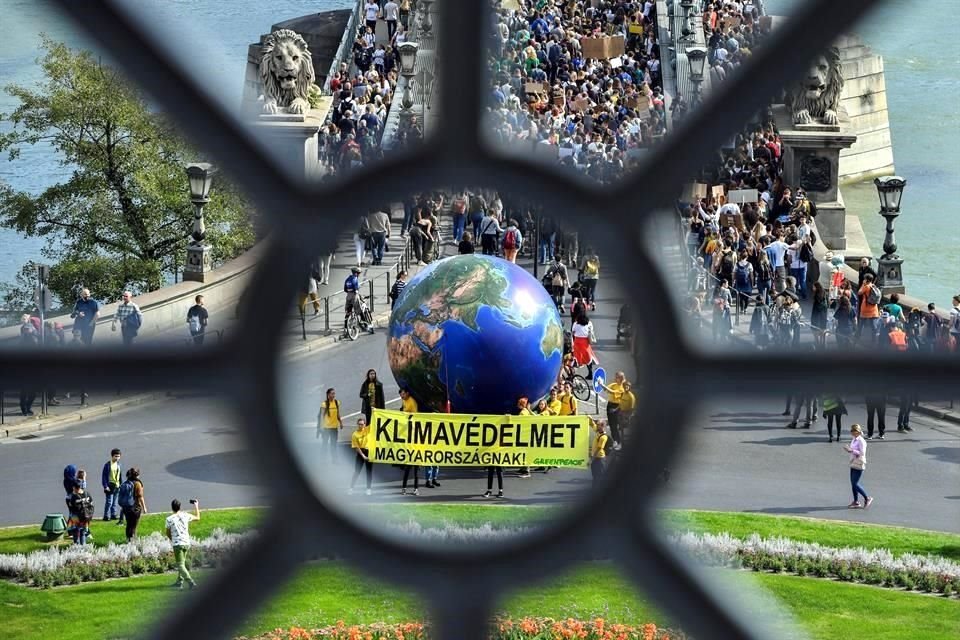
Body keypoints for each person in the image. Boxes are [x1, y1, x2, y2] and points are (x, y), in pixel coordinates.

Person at [165, 498, 200, 589]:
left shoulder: (169, 519)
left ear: (172, 508)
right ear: (180, 507)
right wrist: (196, 505)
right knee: (182, 563)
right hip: (186, 543)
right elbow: (198, 517)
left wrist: (172, 539)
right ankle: (179, 582)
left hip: (177, 544)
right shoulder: (185, 515)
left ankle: (191, 582)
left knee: (180, 565)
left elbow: (167, 532)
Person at [844, 424, 872, 509]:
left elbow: (862, 453)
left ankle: (867, 498)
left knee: (855, 483)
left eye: (855, 431)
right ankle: (856, 502)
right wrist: (849, 449)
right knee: (853, 484)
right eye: (852, 431)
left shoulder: (861, 441)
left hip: (859, 463)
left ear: (859, 432)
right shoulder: (854, 439)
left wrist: (851, 450)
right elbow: (854, 450)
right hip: (853, 462)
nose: (853, 433)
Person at [399, 387, 419, 495]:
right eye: (400, 394)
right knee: (407, 471)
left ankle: (415, 489)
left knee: (415, 472)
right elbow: (403, 409)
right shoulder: (404, 400)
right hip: (409, 448)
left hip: (415, 451)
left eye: (403, 394)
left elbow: (414, 416)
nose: (401, 396)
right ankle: (404, 488)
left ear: (407, 393)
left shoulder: (412, 403)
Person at [117, 467, 147, 542]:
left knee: (128, 524)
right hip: (135, 507)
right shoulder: (137, 484)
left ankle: (128, 539)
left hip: (126, 507)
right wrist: (144, 508)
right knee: (134, 525)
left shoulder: (126, 483)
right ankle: (132, 541)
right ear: (137, 475)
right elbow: (140, 497)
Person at [600, 371, 627, 450]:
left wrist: (602, 384)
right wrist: (601, 384)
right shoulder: (614, 384)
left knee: (615, 426)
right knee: (612, 426)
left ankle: (620, 443)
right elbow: (606, 389)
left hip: (616, 407)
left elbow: (612, 392)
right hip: (610, 405)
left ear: (621, 379)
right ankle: (615, 441)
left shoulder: (622, 388)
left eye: (617, 377)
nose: (615, 378)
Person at [317, 388, 343, 463]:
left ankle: (334, 460)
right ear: (328, 395)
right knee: (324, 444)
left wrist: (340, 422)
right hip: (326, 428)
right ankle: (323, 460)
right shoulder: (324, 404)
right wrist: (321, 427)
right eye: (332, 393)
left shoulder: (337, 402)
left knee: (333, 445)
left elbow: (337, 413)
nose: (333, 395)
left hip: (334, 428)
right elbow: (321, 416)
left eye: (334, 393)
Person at [348, 417, 373, 495]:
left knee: (369, 472)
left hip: (368, 452)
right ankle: (351, 488)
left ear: (365, 425)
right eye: (359, 424)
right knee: (357, 472)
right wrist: (363, 456)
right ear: (357, 424)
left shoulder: (367, 429)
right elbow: (357, 447)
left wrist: (373, 411)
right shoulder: (354, 434)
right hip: (360, 453)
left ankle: (368, 489)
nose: (360, 426)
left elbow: (375, 420)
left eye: (362, 424)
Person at [66, 480, 94, 545]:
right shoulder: (87, 494)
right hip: (86, 517)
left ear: (74, 487)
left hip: (76, 518)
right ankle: (83, 547)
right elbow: (91, 503)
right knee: (83, 533)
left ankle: (77, 547)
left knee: (76, 534)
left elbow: (71, 506)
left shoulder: (74, 497)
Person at [571, 314, 598, 378]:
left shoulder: (575, 324)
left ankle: (572, 375)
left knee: (575, 359)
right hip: (585, 343)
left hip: (577, 342)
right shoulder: (589, 324)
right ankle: (590, 373)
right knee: (588, 358)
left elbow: (573, 332)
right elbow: (591, 331)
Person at [101, 448, 122, 521]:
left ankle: (113, 514)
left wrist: (121, 484)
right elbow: (104, 476)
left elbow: (120, 475)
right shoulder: (107, 465)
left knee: (115, 502)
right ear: (112, 456)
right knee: (109, 502)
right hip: (110, 485)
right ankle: (106, 516)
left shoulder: (119, 464)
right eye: (115, 456)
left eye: (118, 456)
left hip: (117, 485)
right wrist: (105, 486)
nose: (117, 458)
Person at [590, 418, 608, 486]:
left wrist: (592, 458)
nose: (597, 426)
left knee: (600, 476)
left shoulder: (603, 437)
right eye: (597, 424)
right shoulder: (598, 432)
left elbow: (599, 449)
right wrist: (591, 419)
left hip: (599, 459)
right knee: (595, 476)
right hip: (596, 458)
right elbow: (592, 425)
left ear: (602, 426)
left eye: (598, 425)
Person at [343, 266, 362, 332]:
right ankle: (362, 324)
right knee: (359, 309)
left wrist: (349, 291)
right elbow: (356, 288)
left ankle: (345, 327)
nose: (359, 275)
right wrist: (356, 290)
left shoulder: (347, 279)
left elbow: (345, 289)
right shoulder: (355, 278)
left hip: (348, 295)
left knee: (348, 311)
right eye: (359, 273)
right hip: (354, 295)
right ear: (356, 273)